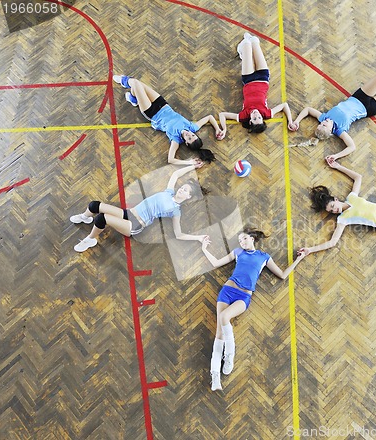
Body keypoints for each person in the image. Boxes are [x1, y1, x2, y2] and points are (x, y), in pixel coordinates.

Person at [201, 229, 306, 391]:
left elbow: (283, 275)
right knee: (219, 333)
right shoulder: (238, 252)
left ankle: (229, 355)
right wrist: (204, 249)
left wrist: (299, 259)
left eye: (244, 239)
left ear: (252, 238)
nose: (242, 242)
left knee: (224, 318)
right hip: (227, 291)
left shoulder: (264, 257)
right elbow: (216, 263)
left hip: (243, 297)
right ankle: (215, 377)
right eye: (240, 241)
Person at [70, 164, 208, 252]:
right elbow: (175, 175)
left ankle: (90, 239)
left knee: (101, 219)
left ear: (189, 197)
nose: (181, 190)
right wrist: (192, 166)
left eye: (185, 191)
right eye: (183, 187)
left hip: (134, 225)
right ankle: (85, 217)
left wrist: (198, 238)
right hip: (129, 213)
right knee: (95, 205)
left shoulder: (176, 210)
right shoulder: (169, 192)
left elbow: (179, 234)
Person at [113, 74, 222, 165]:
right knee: (138, 86)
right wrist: (217, 129)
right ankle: (133, 99)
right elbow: (209, 117)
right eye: (193, 135)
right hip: (162, 104)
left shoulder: (176, 139)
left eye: (189, 138)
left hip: (152, 112)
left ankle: (123, 81)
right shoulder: (192, 127)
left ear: (186, 143)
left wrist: (189, 162)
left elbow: (171, 159)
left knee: (136, 83)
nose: (189, 135)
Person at [217, 33, 295, 136]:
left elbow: (222, 115)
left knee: (246, 43)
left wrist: (224, 129)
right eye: (259, 117)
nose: (256, 114)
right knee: (254, 40)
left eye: (254, 118)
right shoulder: (267, 113)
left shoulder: (243, 116)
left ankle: (242, 51)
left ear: (250, 121)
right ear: (263, 118)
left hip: (248, 79)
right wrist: (290, 121)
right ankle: (245, 50)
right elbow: (284, 105)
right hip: (263, 77)